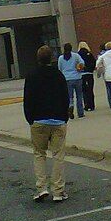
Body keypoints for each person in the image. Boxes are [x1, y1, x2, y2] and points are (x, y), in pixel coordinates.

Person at [23, 45, 70, 202]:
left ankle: (41, 188)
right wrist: (64, 116)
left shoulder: (31, 76)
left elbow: (27, 99)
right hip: (57, 119)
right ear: (52, 58)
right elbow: (65, 97)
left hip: (38, 120)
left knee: (39, 154)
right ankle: (58, 190)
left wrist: (30, 118)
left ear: (38, 59)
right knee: (58, 155)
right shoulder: (58, 75)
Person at [57, 43, 85, 119]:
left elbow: (59, 69)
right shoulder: (76, 56)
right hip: (77, 77)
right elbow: (82, 63)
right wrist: (79, 68)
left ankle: (70, 106)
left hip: (67, 79)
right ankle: (80, 112)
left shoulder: (61, 58)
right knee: (79, 96)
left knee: (69, 96)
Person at [77, 42, 97, 111]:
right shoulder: (89, 54)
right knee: (90, 89)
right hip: (89, 74)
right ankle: (92, 105)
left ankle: (86, 105)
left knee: (84, 90)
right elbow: (94, 62)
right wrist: (91, 69)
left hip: (82, 74)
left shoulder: (78, 55)